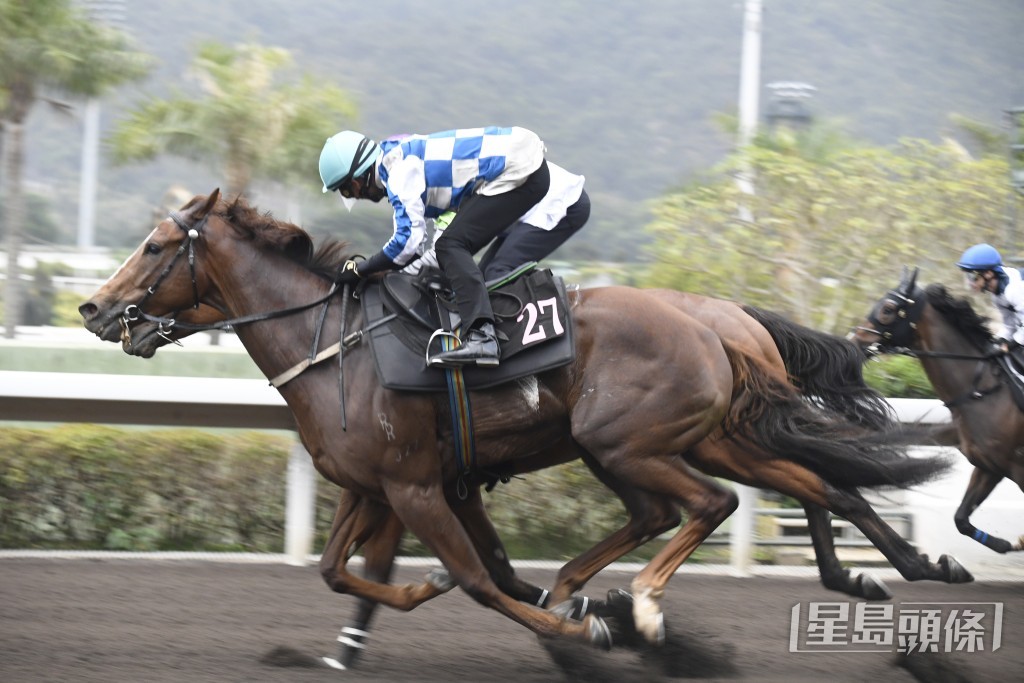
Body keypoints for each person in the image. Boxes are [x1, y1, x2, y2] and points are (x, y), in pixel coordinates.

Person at [318, 126, 553, 368]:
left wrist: (361, 269)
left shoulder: (399, 172)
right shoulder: (393, 161)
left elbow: (407, 242)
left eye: (347, 190)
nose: (354, 196)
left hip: (519, 171)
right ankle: (481, 326)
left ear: (358, 179)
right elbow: (417, 248)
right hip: (521, 166)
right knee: (450, 249)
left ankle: (483, 336)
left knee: (451, 246)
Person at [403, 161, 589, 282]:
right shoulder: (441, 181)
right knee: (483, 277)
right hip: (531, 206)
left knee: (498, 272)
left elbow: (440, 254)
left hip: (563, 202)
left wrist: (401, 276)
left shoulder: (449, 189)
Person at [956, 243, 1024, 353]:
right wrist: (998, 340)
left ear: (988, 273)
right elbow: (1010, 325)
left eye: (972, 277)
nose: (969, 282)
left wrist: (1009, 346)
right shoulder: (996, 295)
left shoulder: (1014, 290)